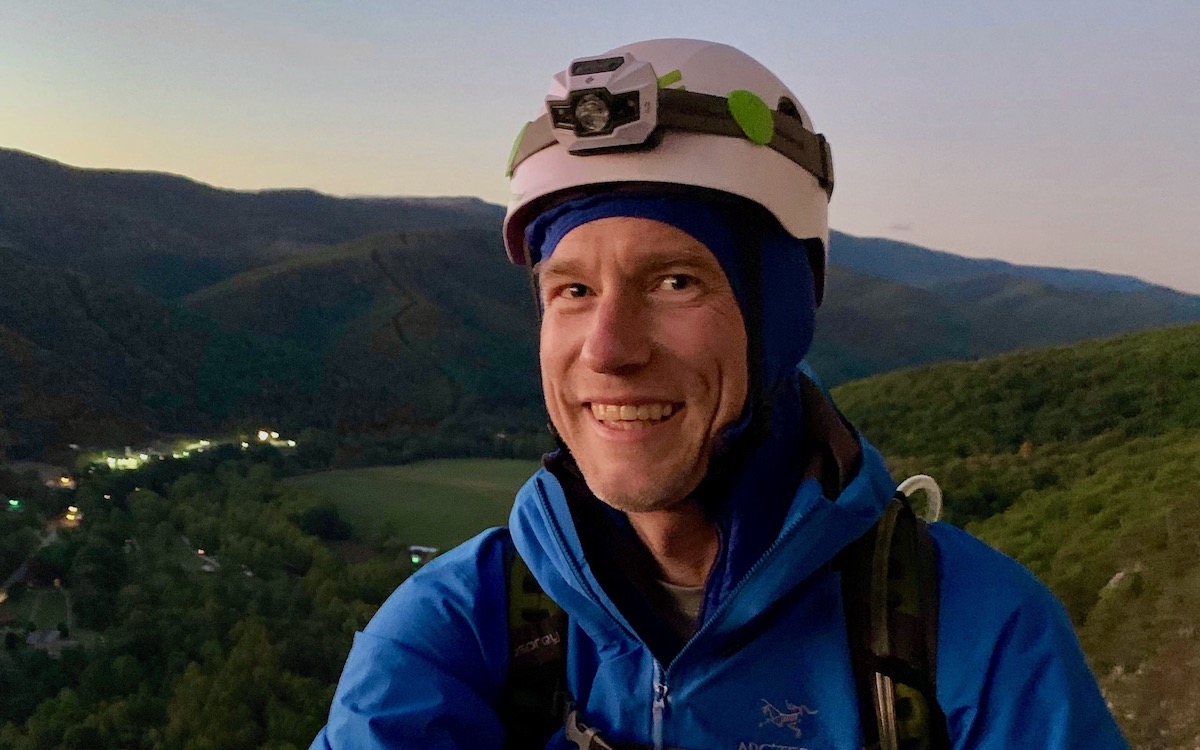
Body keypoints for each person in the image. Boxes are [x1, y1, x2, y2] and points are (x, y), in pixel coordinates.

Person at [311, 38, 1127, 749]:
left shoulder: (975, 638)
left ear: (780, 316)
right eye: (571, 291)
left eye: (673, 280)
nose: (607, 351)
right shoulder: (463, 625)